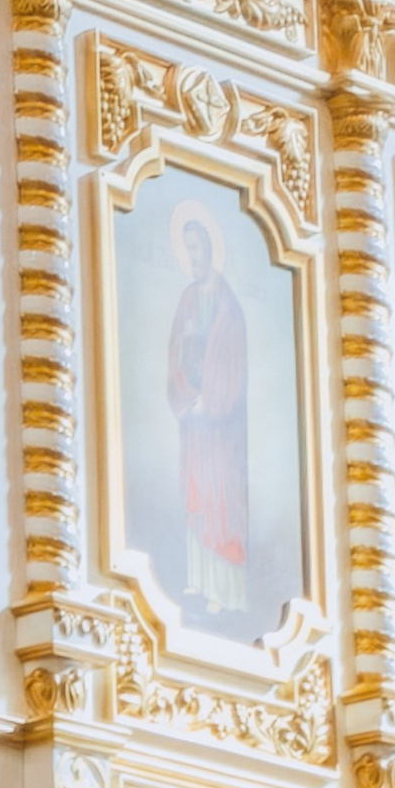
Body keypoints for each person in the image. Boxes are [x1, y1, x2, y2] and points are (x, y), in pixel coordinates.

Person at [167, 209, 249, 617]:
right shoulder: (187, 298)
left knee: (221, 500)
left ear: (211, 250)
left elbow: (231, 366)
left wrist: (210, 401)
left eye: (197, 248)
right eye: (188, 250)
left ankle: (226, 592)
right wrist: (186, 395)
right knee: (197, 494)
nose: (193, 256)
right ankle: (198, 579)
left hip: (221, 428)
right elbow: (174, 354)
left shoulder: (228, 306)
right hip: (195, 424)